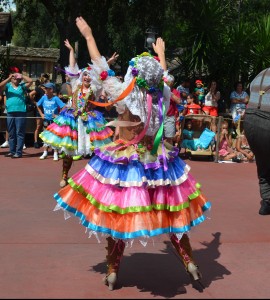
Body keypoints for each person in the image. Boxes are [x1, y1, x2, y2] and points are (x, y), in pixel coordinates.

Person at [53, 16, 211, 291]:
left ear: (133, 76)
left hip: (127, 162)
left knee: (119, 217)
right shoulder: (161, 93)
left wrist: (89, 36)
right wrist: (161, 53)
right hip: (159, 162)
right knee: (171, 214)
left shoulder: (126, 95)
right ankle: (190, 263)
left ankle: (113, 271)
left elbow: (101, 70)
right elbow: (165, 77)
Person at [39, 39, 114, 187]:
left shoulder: (95, 88)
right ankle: (64, 175)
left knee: (96, 151)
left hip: (89, 121)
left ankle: (94, 179)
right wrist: (71, 51)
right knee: (68, 151)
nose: (87, 77)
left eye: (89, 75)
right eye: (85, 75)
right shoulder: (75, 85)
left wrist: (109, 63)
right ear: (81, 76)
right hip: (72, 120)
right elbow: (72, 66)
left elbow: (101, 73)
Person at [243, 67, 270, 215]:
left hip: (250, 121)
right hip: (267, 120)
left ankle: (267, 202)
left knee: (263, 163)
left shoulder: (261, 73)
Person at [0, 66, 33, 158]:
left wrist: (22, 76)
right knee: (11, 132)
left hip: (21, 111)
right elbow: (0, 86)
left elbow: (30, 81)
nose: (15, 79)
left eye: (17, 78)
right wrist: (9, 78)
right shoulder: (8, 86)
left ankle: (18, 152)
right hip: (10, 111)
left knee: (20, 132)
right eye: (14, 78)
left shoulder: (22, 86)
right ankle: (12, 151)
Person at [36, 82, 66, 161]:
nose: (45, 90)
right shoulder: (43, 97)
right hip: (46, 120)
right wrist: (41, 114)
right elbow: (37, 105)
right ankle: (45, 152)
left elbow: (64, 106)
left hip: (54, 121)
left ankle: (55, 153)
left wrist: (59, 115)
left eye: (46, 88)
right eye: (45, 88)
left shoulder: (55, 98)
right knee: (46, 136)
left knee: (54, 136)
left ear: (51, 90)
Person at [29, 74, 51, 148]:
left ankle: (45, 141)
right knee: (38, 126)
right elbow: (30, 94)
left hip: (47, 109)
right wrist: (35, 103)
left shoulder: (48, 89)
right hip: (39, 109)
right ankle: (35, 141)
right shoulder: (38, 89)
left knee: (46, 125)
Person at [163, 74, 181, 145]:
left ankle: (169, 154)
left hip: (169, 117)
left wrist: (169, 93)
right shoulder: (160, 90)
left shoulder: (175, 91)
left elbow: (179, 101)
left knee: (169, 138)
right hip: (160, 116)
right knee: (157, 137)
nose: (169, 84)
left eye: (170, 82)